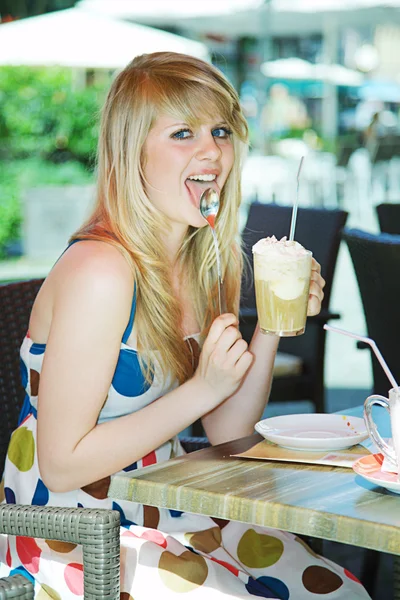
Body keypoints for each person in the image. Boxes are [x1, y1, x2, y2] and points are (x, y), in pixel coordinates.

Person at [0, 52, 370, 599]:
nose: (212, 150)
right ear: (134, 154)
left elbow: (227, 431)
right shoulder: (102, 270)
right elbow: (61, 464)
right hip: (73, 528)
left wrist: (270, 321)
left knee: (338, 592)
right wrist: (202, 388)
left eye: (220, 131)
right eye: (183, 132)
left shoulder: (204, 264)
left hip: (167, 498)